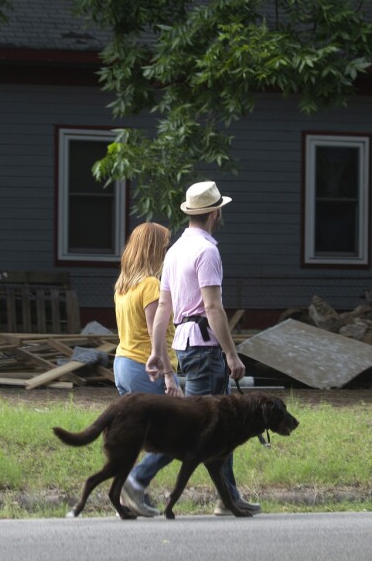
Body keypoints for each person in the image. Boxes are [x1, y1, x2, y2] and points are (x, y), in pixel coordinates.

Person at [145, 181, 260, 517]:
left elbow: (164, 307)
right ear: (215, 213)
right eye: (219, 209)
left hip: (184, 344)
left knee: (222, 426)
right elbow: (213, 308)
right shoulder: (207, 252)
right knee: (196, 428)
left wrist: (157, 350)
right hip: (207, 349)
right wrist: (231, 353)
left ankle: (229, 498)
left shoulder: (175, 250)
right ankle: (138, 479)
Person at [111, 222, 178, 518]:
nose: (167, 252)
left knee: (137, 437)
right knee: (181, 435)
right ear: (154, 250)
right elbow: (156, 336)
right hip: (144, 368)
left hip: (123, 364)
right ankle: (136, 482)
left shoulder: (123, 285)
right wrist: (168, 376)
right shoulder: (150, 285)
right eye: (164, 247)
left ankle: (123, 500)